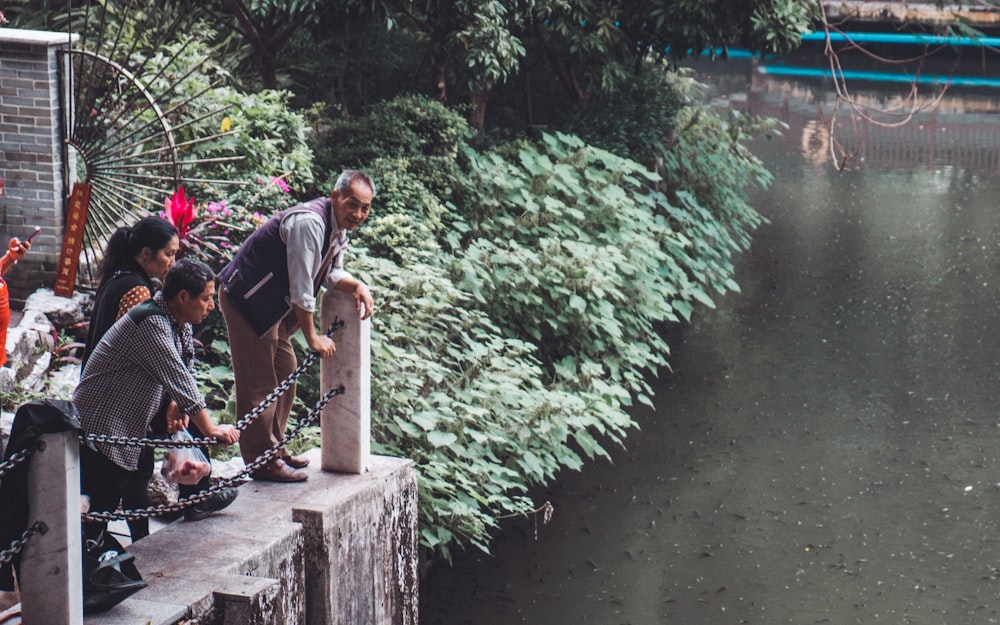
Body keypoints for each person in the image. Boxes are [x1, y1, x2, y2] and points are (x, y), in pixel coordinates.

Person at [217, 170, 375, 482]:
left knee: (286, 373)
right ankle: (263, 461)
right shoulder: (310, 223)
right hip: (247, 301)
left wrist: (358, 285)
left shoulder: (336, 228)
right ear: (334, 197)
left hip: (270, 309)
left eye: (365, 208)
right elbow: (302, 287)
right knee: (260, 384)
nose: (357, 214)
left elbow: (330, 274)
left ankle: (275, 447)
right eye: (352, 204)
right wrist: (312, 336)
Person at [76, 259, 241, 541]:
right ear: (183, 297)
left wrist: (176, 403)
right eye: (205, 298)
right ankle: (91, 562)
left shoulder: (178, 321)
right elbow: (180, 378)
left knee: (137, 477)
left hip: (130, 419)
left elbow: (184, 367)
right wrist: (211, 429)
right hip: (103, 417)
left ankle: (138, 545)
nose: (211, 306)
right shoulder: (150, 322)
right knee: (104, 496)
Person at [81, 216, 180, 540]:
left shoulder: (117, 279)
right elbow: (149, 350)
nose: (172, 262)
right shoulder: (137, 290)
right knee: (116, 487)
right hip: (118, 406)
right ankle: (100, 556)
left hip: (104, 400)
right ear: (145, 253)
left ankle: (138, 544)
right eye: (168, 254)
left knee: (129, 481)